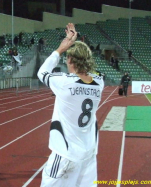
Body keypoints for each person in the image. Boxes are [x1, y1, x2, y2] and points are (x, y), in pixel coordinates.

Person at [37, 23, 104, 187]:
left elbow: (42, 72)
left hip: (65, 154)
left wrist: (61, 48)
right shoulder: (100, 82)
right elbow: (90, 73)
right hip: (88, 154)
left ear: (69, 59)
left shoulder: (64, 82)